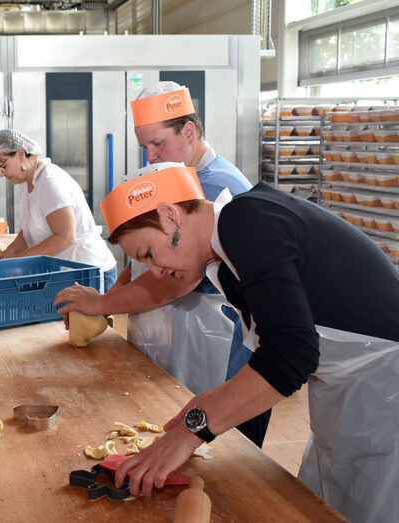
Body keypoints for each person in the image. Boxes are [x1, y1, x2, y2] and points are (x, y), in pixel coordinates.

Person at [100, 165, 399, 523]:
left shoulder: (245, 220)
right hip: (349, 389)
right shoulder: (225, 263)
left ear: (170, 215)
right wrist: (212, 400)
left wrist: (188, 434)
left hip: (386, 389)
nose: (156, 271)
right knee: (325, 503)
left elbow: (290, 356)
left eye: (148, 253)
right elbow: (280, 351)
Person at [53, 82, 269, 447]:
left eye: (158, 144)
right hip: (175, 339)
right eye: (144, 147)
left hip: (213, 347)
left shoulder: (215, 187)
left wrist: (103, 304)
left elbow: (173, 282)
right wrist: (107, 302)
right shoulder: (170, 176)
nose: (150, 156)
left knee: (222, 456)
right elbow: (142, 262)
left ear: (189, 131)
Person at [0, 128, 117, 292]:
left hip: (89, 272)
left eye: (2, 166)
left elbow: (65, 237)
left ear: (20, 154)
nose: (1, 174)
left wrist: (17, 260)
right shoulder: (26, 183)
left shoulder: (49, 181)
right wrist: (6, 255)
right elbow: (29, 232)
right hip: (67, 273)